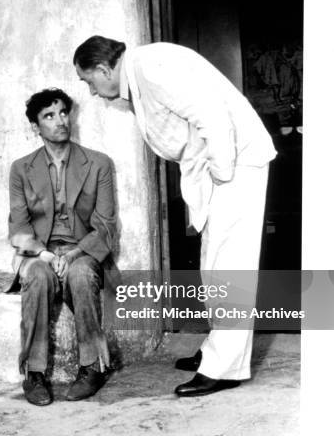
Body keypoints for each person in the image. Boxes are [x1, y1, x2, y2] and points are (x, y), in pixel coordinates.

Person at [73, 36, 277, 397]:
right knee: (214, 265)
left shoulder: (152, 67)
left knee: (230, 267)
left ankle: (225, 368)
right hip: (222, 166)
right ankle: (219, 352)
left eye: (89, 81)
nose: (91, 91)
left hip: (234, 163)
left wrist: (220, 174)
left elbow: (211, 115)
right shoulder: (141, 72)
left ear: (104, 69)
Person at [6, 88, 116, 406]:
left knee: (81, 276)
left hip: (81, 250)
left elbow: (106, 225)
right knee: (37, 276)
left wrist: (75, 253)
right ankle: (34, 374)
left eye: (63, 113)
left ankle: (91, 368)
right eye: (49, 116)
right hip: (40, 252)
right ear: (35, 127)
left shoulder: (98, 164)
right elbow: (19, 226)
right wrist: (44, 253)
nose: (60, 121)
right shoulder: (21, 169)